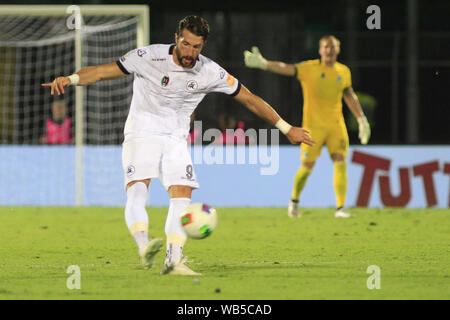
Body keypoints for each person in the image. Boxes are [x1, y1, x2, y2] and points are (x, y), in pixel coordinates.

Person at [42, 16, 315, 276]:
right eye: (186, 44)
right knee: (138, 190)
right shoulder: (148, 57)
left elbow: (249, 98)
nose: (190, 51)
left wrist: (286, 128)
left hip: (175, 139)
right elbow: (102, 72)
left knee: (183, 194)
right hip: (142, 131)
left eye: (196, 46)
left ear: (203, 46)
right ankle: (143, 244)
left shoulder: (210, 71)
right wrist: (71, 79)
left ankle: (173, 260)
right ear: (176, 38)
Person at [244, 35, 371, 218]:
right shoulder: (309, 68)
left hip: (336, 125)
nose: (330, 50)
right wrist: (264, 64)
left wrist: (361, 119)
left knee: (340, 161)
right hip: (313, 127)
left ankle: (340, 208)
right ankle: (294, 201)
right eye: (326, 47)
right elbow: (286, 68)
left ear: (338, 49)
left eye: (333, 47)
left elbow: (349, 95)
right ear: (320, 50)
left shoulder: (344, 71)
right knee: (307, 166)